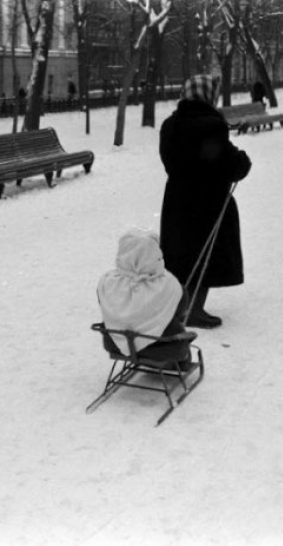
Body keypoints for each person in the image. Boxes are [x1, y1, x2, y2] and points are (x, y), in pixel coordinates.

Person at [158, 74, 252, 329]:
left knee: (180, 255)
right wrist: (242, 160)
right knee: (206, 253)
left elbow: (171, 160)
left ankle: (178, 307)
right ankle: (193, 310)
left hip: (177, 199)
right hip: (207, 202)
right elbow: (229, 165)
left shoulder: (170, 126)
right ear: (210, 96)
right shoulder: (211, 126)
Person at [97, 228, 187, 355]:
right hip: (163, 349)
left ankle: (131, 348)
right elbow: (180, 314)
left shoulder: (106, 282)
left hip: (113, 345)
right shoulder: (170, 285)